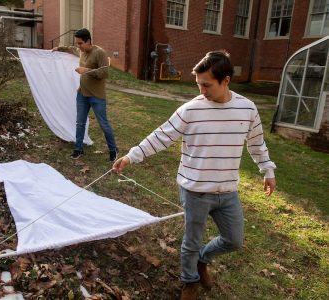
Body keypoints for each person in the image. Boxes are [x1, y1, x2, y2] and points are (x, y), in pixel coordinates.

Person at [112, 50, 276, 300]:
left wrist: (267, 170)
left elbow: (256, 144)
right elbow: (161, 136)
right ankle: (189, 281)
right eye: (199, 85)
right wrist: (130, 156)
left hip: (227, 191)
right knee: (191, 241)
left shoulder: (247, 108)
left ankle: (203, 259)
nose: (202, 91)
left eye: (207, 85)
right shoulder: (190, 110)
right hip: (195, 190)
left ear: (226, 80)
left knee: (234, 240)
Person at [53, 28, 118, 161]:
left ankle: (113, 150)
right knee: (80, 123)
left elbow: (104, 73)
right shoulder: (81, 51)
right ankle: (78, 149)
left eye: (80, 43)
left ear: (88, 41)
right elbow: (71, 49)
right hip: (82, 94)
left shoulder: (100, 53)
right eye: (77, 43)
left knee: (103, 124)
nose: (78, 46)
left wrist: (86, 70)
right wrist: (59, 48)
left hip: (97, 96)